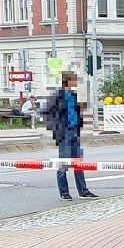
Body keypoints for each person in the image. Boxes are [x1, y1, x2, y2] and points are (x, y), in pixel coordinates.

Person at [43, 71, 97, 201]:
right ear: (68, 80)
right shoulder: (57, 96)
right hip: (64, 132)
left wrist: (79, 118)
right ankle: (64, 192)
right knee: (63, 163)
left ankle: (83, 191)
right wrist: (56, 129)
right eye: (74, 80)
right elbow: (47, 113)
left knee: (78, 162)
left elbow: (75, 111)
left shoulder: (73, 94)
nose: (76, 82)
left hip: (74, 131)